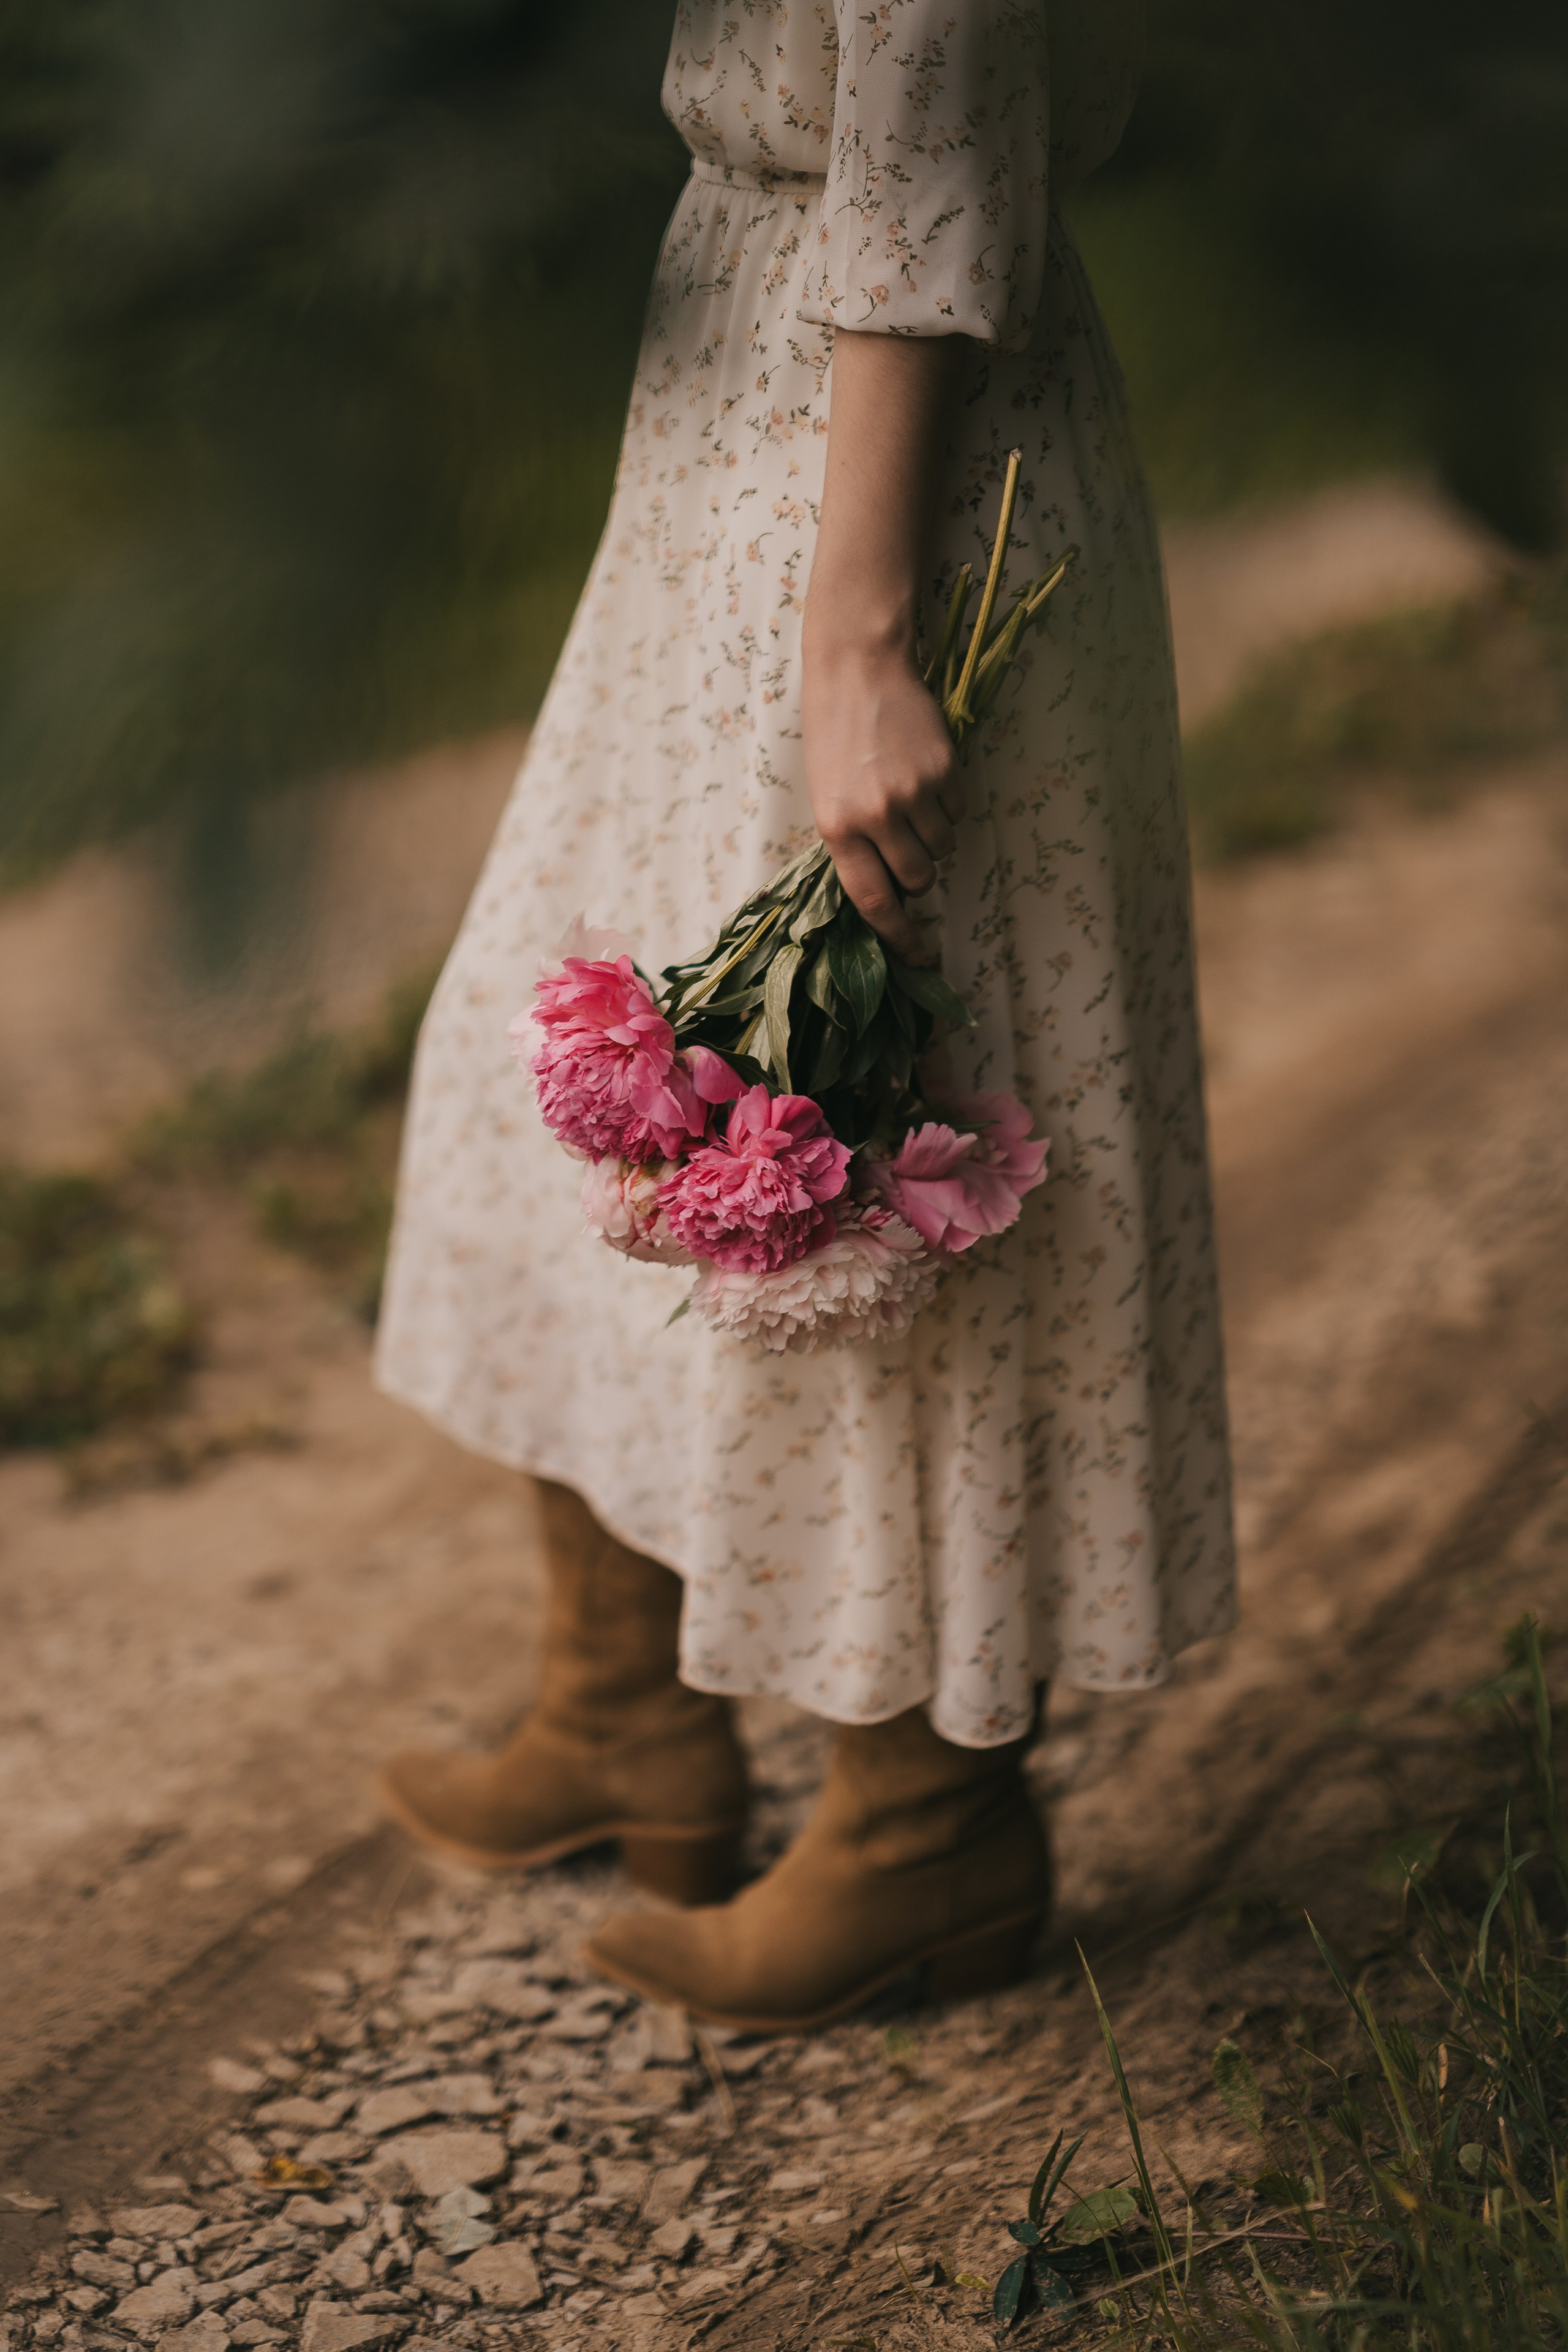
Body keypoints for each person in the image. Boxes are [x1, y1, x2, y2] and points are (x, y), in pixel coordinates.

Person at [372, 0, 1235, 2031]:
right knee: (595, 1061)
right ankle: (625, 1716)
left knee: (874, 1136)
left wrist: (860, 633)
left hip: (890, 472)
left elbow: (933, 132)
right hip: (742, 414)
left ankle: (928, 1838)